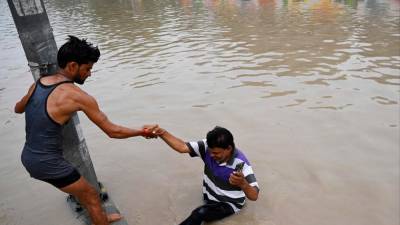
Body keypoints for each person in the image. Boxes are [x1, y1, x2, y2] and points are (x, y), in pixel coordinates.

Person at [14, 35, 157, 225]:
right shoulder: (77, 96)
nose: (90, 73)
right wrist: (141, 132)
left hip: (28, 156)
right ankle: (102, 220)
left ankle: (101, 218)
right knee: (91, 195)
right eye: (88, 68)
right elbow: (113, 131)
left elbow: (18, 108)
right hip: (47, 162)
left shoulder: (39, 83)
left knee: (82, 191)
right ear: (73, 66)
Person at [153, 126, 259, 225]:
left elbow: (254, 196)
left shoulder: (241, 164)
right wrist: (162, 133)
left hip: (230, 204)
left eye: (216, 153)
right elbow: (182, 147)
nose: (211, 155)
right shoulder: (207, 147)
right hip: (209, 197)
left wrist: (243, 183)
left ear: (229, 148)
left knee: (200, 213)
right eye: (210, 151)